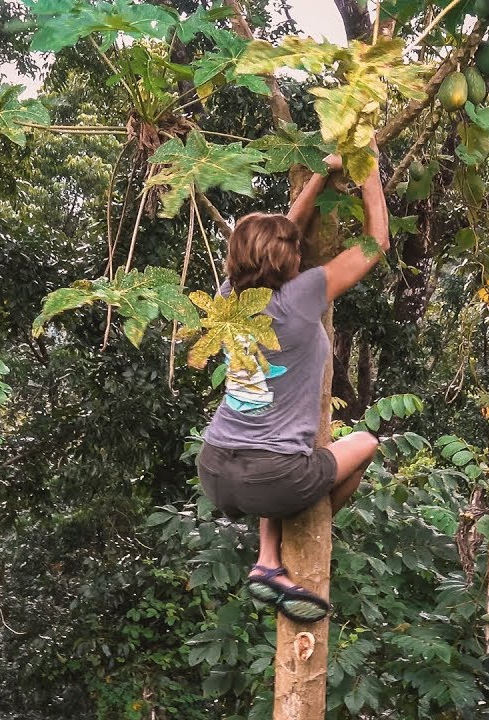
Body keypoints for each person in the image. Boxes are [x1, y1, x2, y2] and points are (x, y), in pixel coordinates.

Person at [196, 148, 389, 623]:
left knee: (277, 452)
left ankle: (266, 562)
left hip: (215, 469)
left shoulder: (226, 298)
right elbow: (375, 242)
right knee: (366, 443)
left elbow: (283, 230)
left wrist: (322, 173)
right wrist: (369, 169)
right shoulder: (301, 297)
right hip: (275, 479)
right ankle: (292, 538)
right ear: (290, 260)